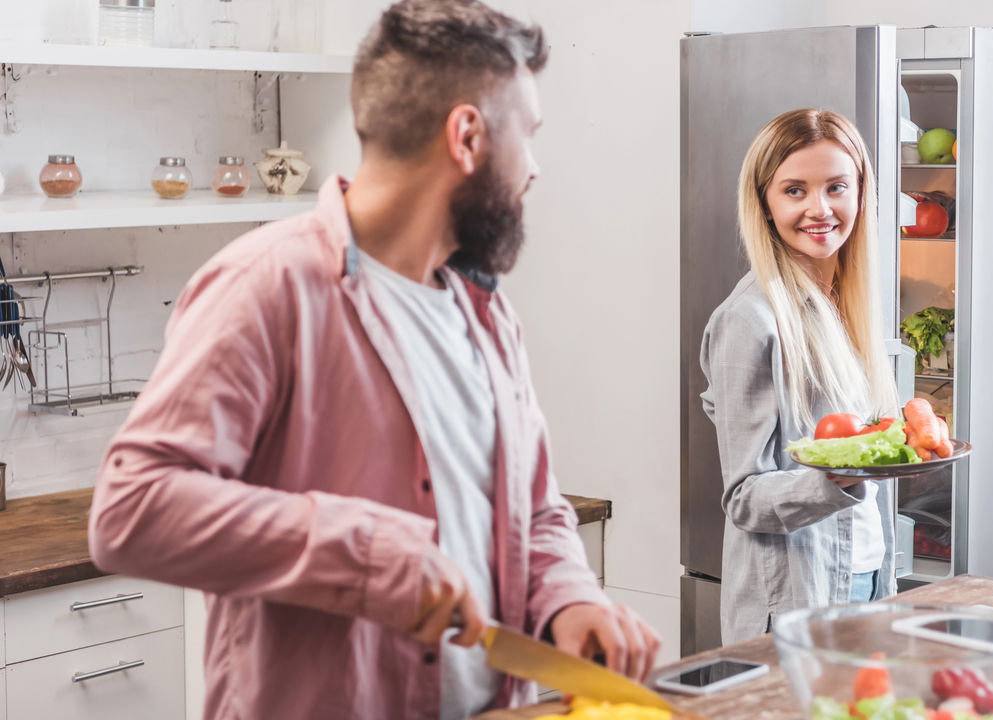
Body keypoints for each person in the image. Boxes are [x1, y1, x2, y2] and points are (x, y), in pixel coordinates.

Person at [87, 1, 659, 718]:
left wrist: (569, 600)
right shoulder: (266, 285)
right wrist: (367, 554)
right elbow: (132, 508)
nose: (534, 169)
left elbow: (534, 509)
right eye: (530, 136)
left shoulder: (485, 312)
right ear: (467, 136)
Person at [700, 108, 900, 645]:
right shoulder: (750, 320)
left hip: (867, 578)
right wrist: (839, 478)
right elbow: (744, 497)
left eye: (837, 187)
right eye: (795, 191)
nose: (820, 209)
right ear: (765, 205)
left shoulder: (849, 305)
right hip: (796, 601)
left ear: (861, 192)